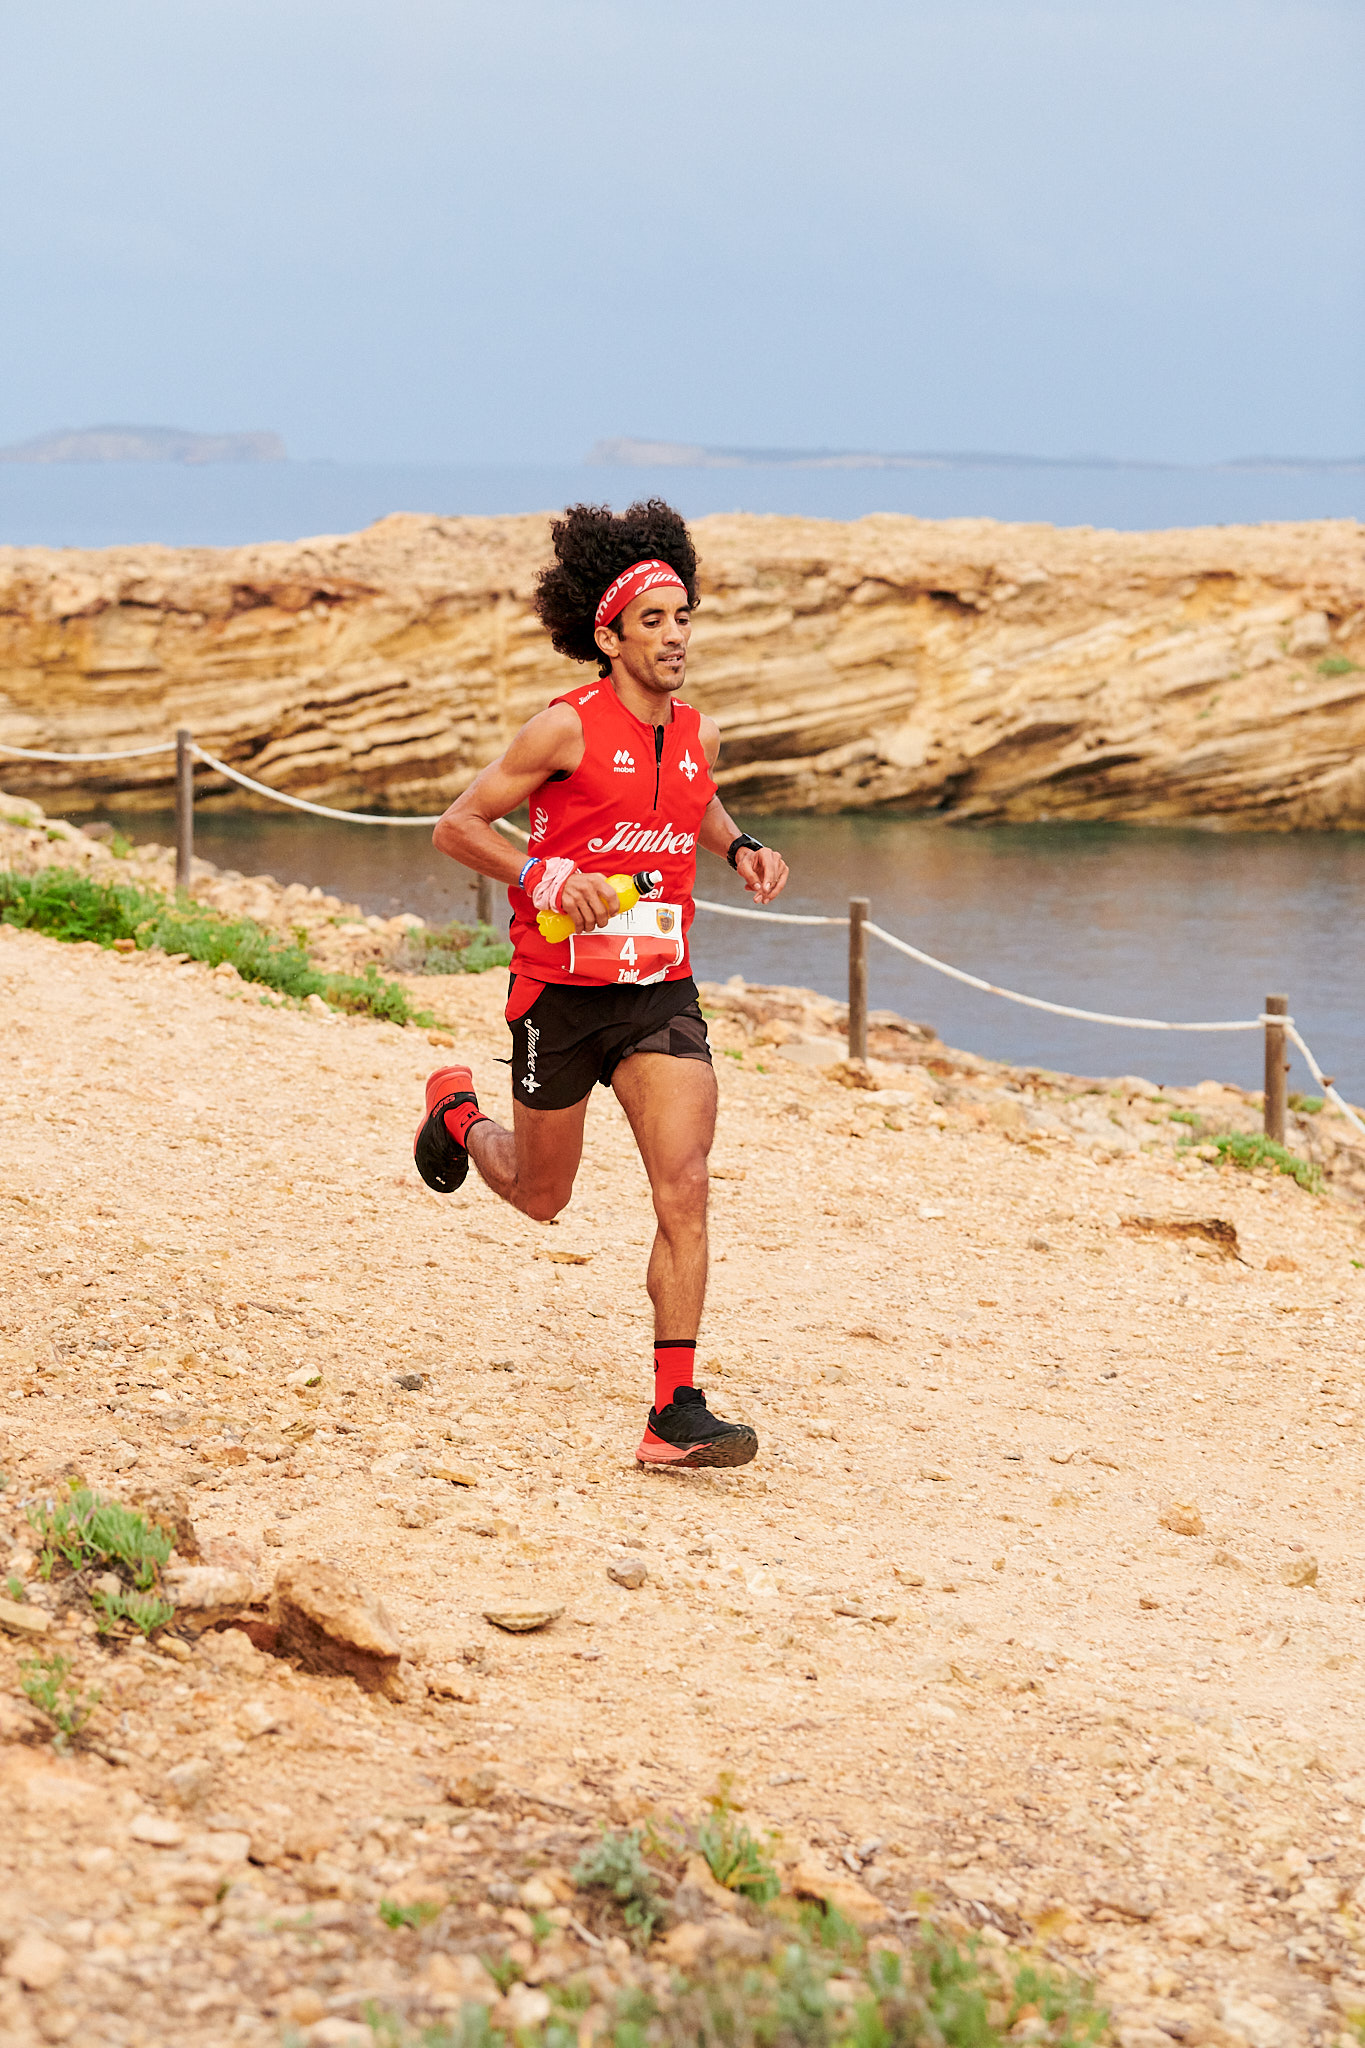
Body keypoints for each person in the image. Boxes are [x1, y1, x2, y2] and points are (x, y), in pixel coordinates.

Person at [415, 499, 789, 1469]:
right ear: (608, 635)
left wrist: (739, 843)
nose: (675, 636)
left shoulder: (696, 731)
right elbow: (457, 825)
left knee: (687, 1184)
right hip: (560, 991)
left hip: (659, 987)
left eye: (684, 617)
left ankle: (674, 1411)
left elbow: (690, 795)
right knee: (543, 1196)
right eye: (654, 621)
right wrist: (545, 876)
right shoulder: (563, 730)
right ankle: (455, 1114)